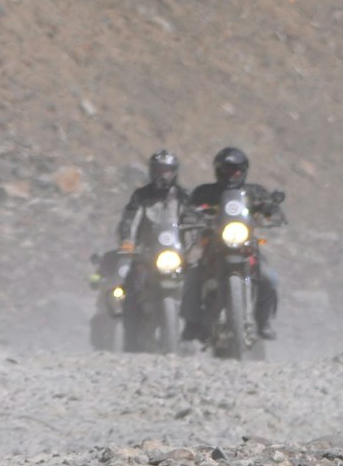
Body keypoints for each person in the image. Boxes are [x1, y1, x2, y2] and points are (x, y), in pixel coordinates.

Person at [180, 146, 283, 341]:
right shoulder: (205, 192)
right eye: (226, 169)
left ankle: (263, 323)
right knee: (193, 274)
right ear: (218, 170)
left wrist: (273, 212)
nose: (231, 174)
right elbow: (189, 209)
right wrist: (191, 215)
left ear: (243, 171)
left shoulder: (254, 192)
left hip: (246, 244)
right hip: (214, 243)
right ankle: (191, 324)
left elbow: (269, 206)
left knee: (269, 277)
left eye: (235, 170)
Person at [116, 150, 188, 352]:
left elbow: (195, 219)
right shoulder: (141, 196)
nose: (163, 176)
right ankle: (131, 342)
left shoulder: (183, 196)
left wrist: (199, 240)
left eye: (167, 171)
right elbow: (128, 220)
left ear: (174, 172)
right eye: (159, 171)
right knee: (131, 287)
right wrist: (127, 241)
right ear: (151, 172)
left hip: (177, 252)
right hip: (147, 252)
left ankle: (196, 332)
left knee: (198, 282)